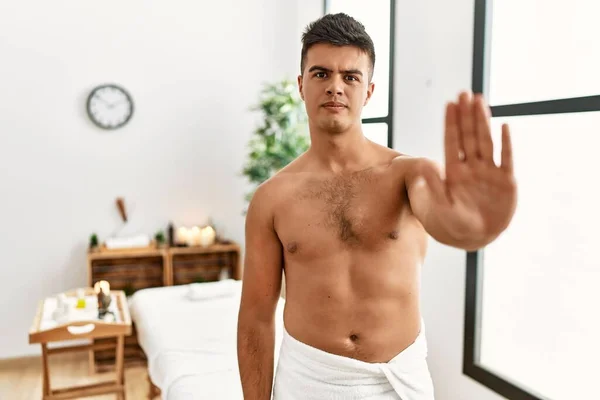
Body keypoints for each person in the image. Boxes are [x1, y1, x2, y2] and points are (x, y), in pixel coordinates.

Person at [237, 12, 517, 400]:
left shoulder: (408, 175)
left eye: (350, 77)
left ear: (368, 91)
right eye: (321, 74)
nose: (336, 87)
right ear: (301, 86)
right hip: (309, 381)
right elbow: (255, 316)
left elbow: (449, 222)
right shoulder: (273, 197)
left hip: (397, 382)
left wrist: (480, 226)